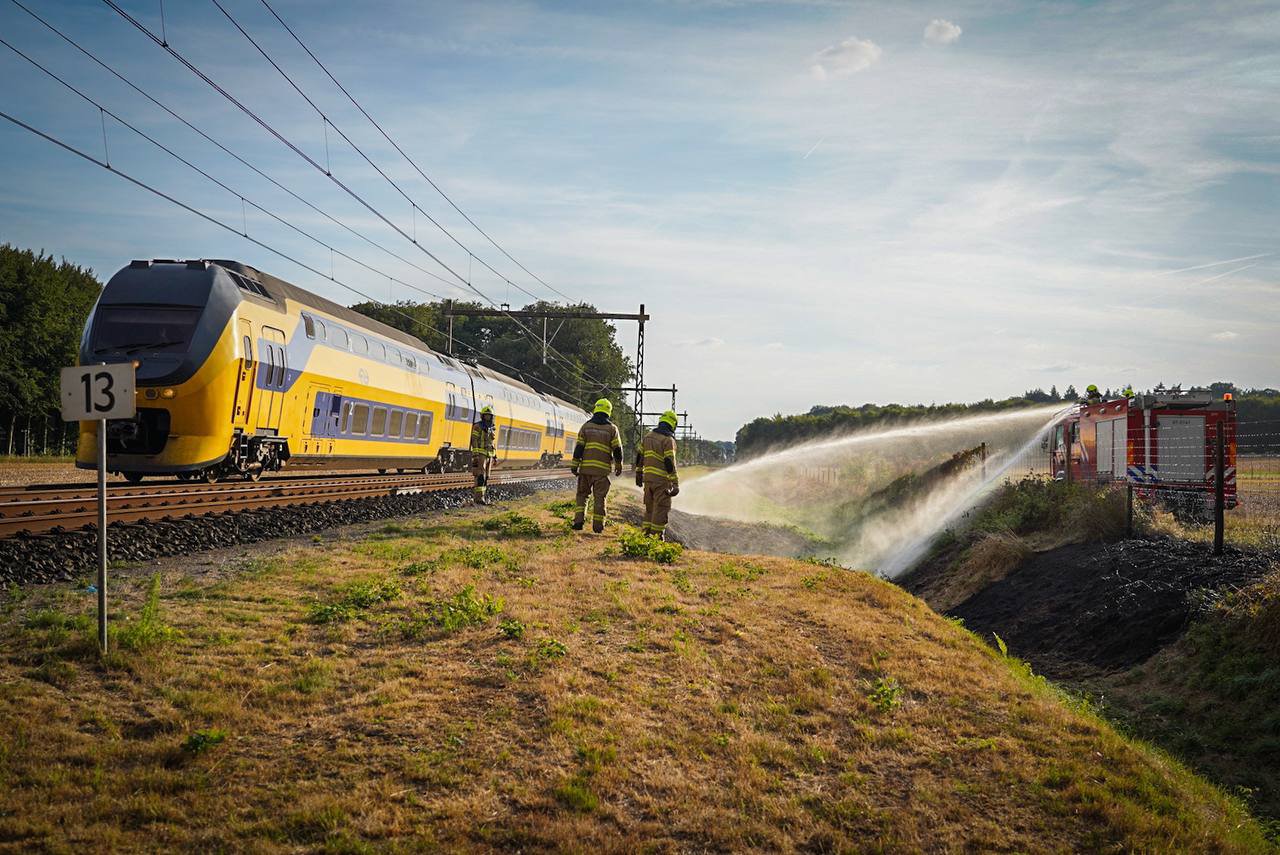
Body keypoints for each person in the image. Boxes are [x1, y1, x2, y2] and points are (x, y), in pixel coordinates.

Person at [570, 398, 622, 533]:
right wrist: (618, 465)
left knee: (582, 496)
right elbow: (617, 449)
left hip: (586, 469)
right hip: (602, 472)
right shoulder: (612, 429)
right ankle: (598, 527)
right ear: (608, 411)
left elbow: (579, 448)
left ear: (596, 409)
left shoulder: (586, 427)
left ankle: (578, 522)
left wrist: (574, 465)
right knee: (600, 498)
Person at [635, 410, 680, 540]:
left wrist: (638, 473)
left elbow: (640, 456)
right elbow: (669, 462)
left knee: (649, 510)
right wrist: (675, 483)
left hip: (648, 481)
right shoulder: (668, 440)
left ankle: (645, 537)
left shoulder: (647, 437)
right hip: (662, 482)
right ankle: (656, 541)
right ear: (673, 424)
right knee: (660, 511)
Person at [470, 405, 496, 505]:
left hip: (489, 455)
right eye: (486, 415)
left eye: (489, 416)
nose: (487, 417)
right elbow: (474, 440)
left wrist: (495, 456)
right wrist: (476, 454)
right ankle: (479, 498)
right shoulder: (478, 426)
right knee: (480, 476)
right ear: (482, 416)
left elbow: (492, 442)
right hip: (481, 454)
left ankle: (482, 497)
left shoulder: (492, 428)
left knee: (486, 477)